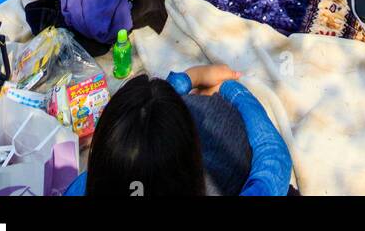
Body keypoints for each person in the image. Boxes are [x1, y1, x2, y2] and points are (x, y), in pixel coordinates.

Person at [67, 65, 291, 198]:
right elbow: (273, 156)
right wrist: (231, 89)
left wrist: (190, 77)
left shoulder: (84, 187)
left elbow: (141, 122)